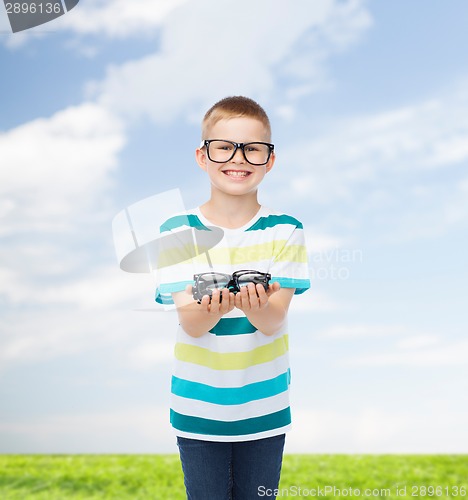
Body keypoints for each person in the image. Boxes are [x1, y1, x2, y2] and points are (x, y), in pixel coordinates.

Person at [155, 96, 310, 499]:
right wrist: (215, 309)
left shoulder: (286, 229)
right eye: (224, 146)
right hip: (197, 410)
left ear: (269, 160)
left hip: (265, 409)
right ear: (202, 156)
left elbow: (273, 320)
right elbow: (190, 322)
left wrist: (254, 306)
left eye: (253, 148)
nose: (237, 158)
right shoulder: (177, 230)